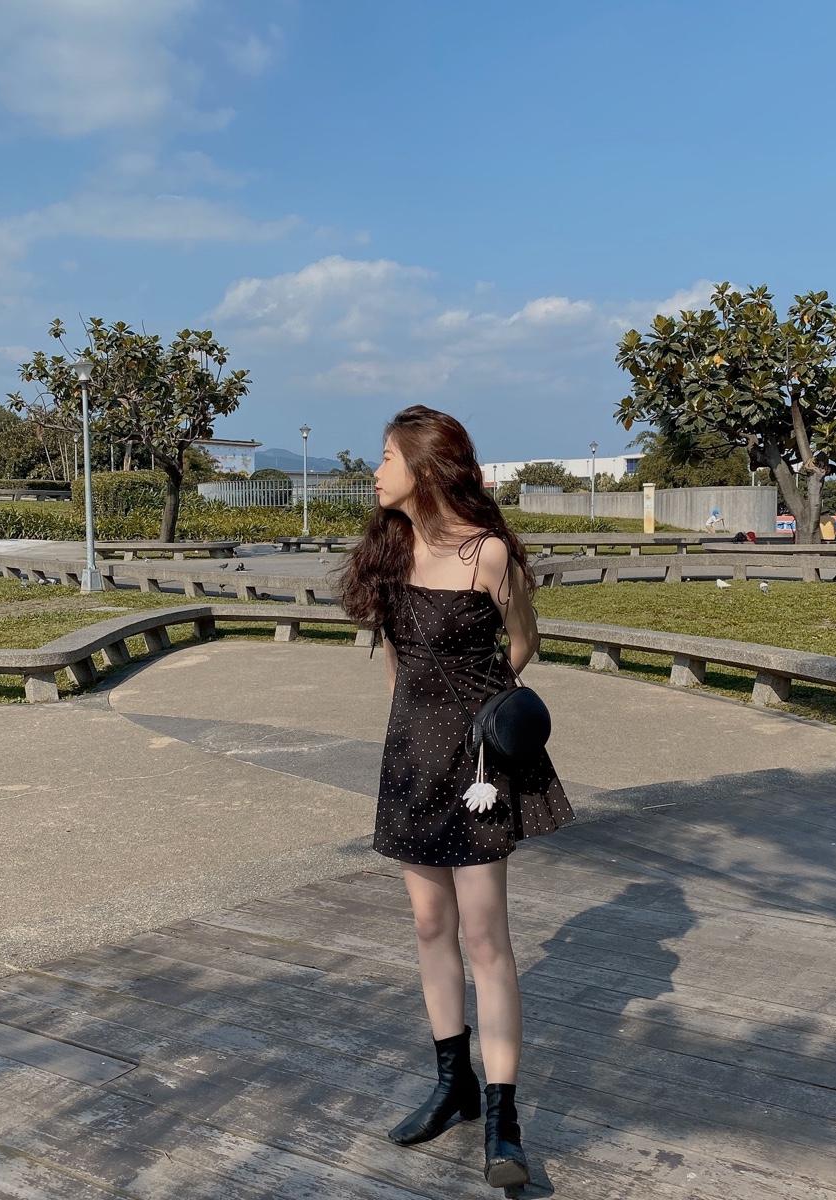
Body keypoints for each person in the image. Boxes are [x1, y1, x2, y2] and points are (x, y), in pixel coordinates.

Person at [335, 405, 575, 1190]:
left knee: (485, 938)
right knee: (429, 924)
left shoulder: (488, 553)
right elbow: (396, 663)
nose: (375, 472)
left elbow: (524, 642)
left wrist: (484, 706)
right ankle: (453, 1086)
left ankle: (504, 1121)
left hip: (475, 767)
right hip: (412, 762)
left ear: (426, 468)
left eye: (385, 457)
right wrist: (411, 729)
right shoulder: (388, 550)